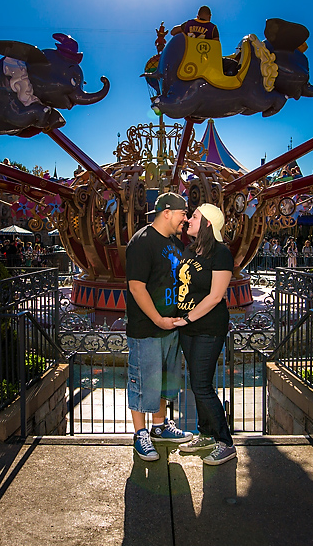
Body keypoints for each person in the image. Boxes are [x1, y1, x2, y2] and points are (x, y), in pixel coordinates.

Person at [125, 192, 193, 461]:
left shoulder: (174, 243)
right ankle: (140, 434)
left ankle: (160, 426)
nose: (185, 219)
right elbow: (136, 286)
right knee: (143, 381)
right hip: (148, 329)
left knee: (164, 380)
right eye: (182, 213)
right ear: (167, 212)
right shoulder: (142, 242)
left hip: (171, 327)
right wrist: (157, 319)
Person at [172, 204, 237, 466]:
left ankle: (225, 442)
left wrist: (187, 318)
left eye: (195, 216)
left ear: (208, 223)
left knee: (201, 385)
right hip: (188, 327)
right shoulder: (189, 249)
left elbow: (215, 297)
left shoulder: (221, 254)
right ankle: (206, 434)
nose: (189, 219)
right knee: (198, 383)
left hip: (208, 327)